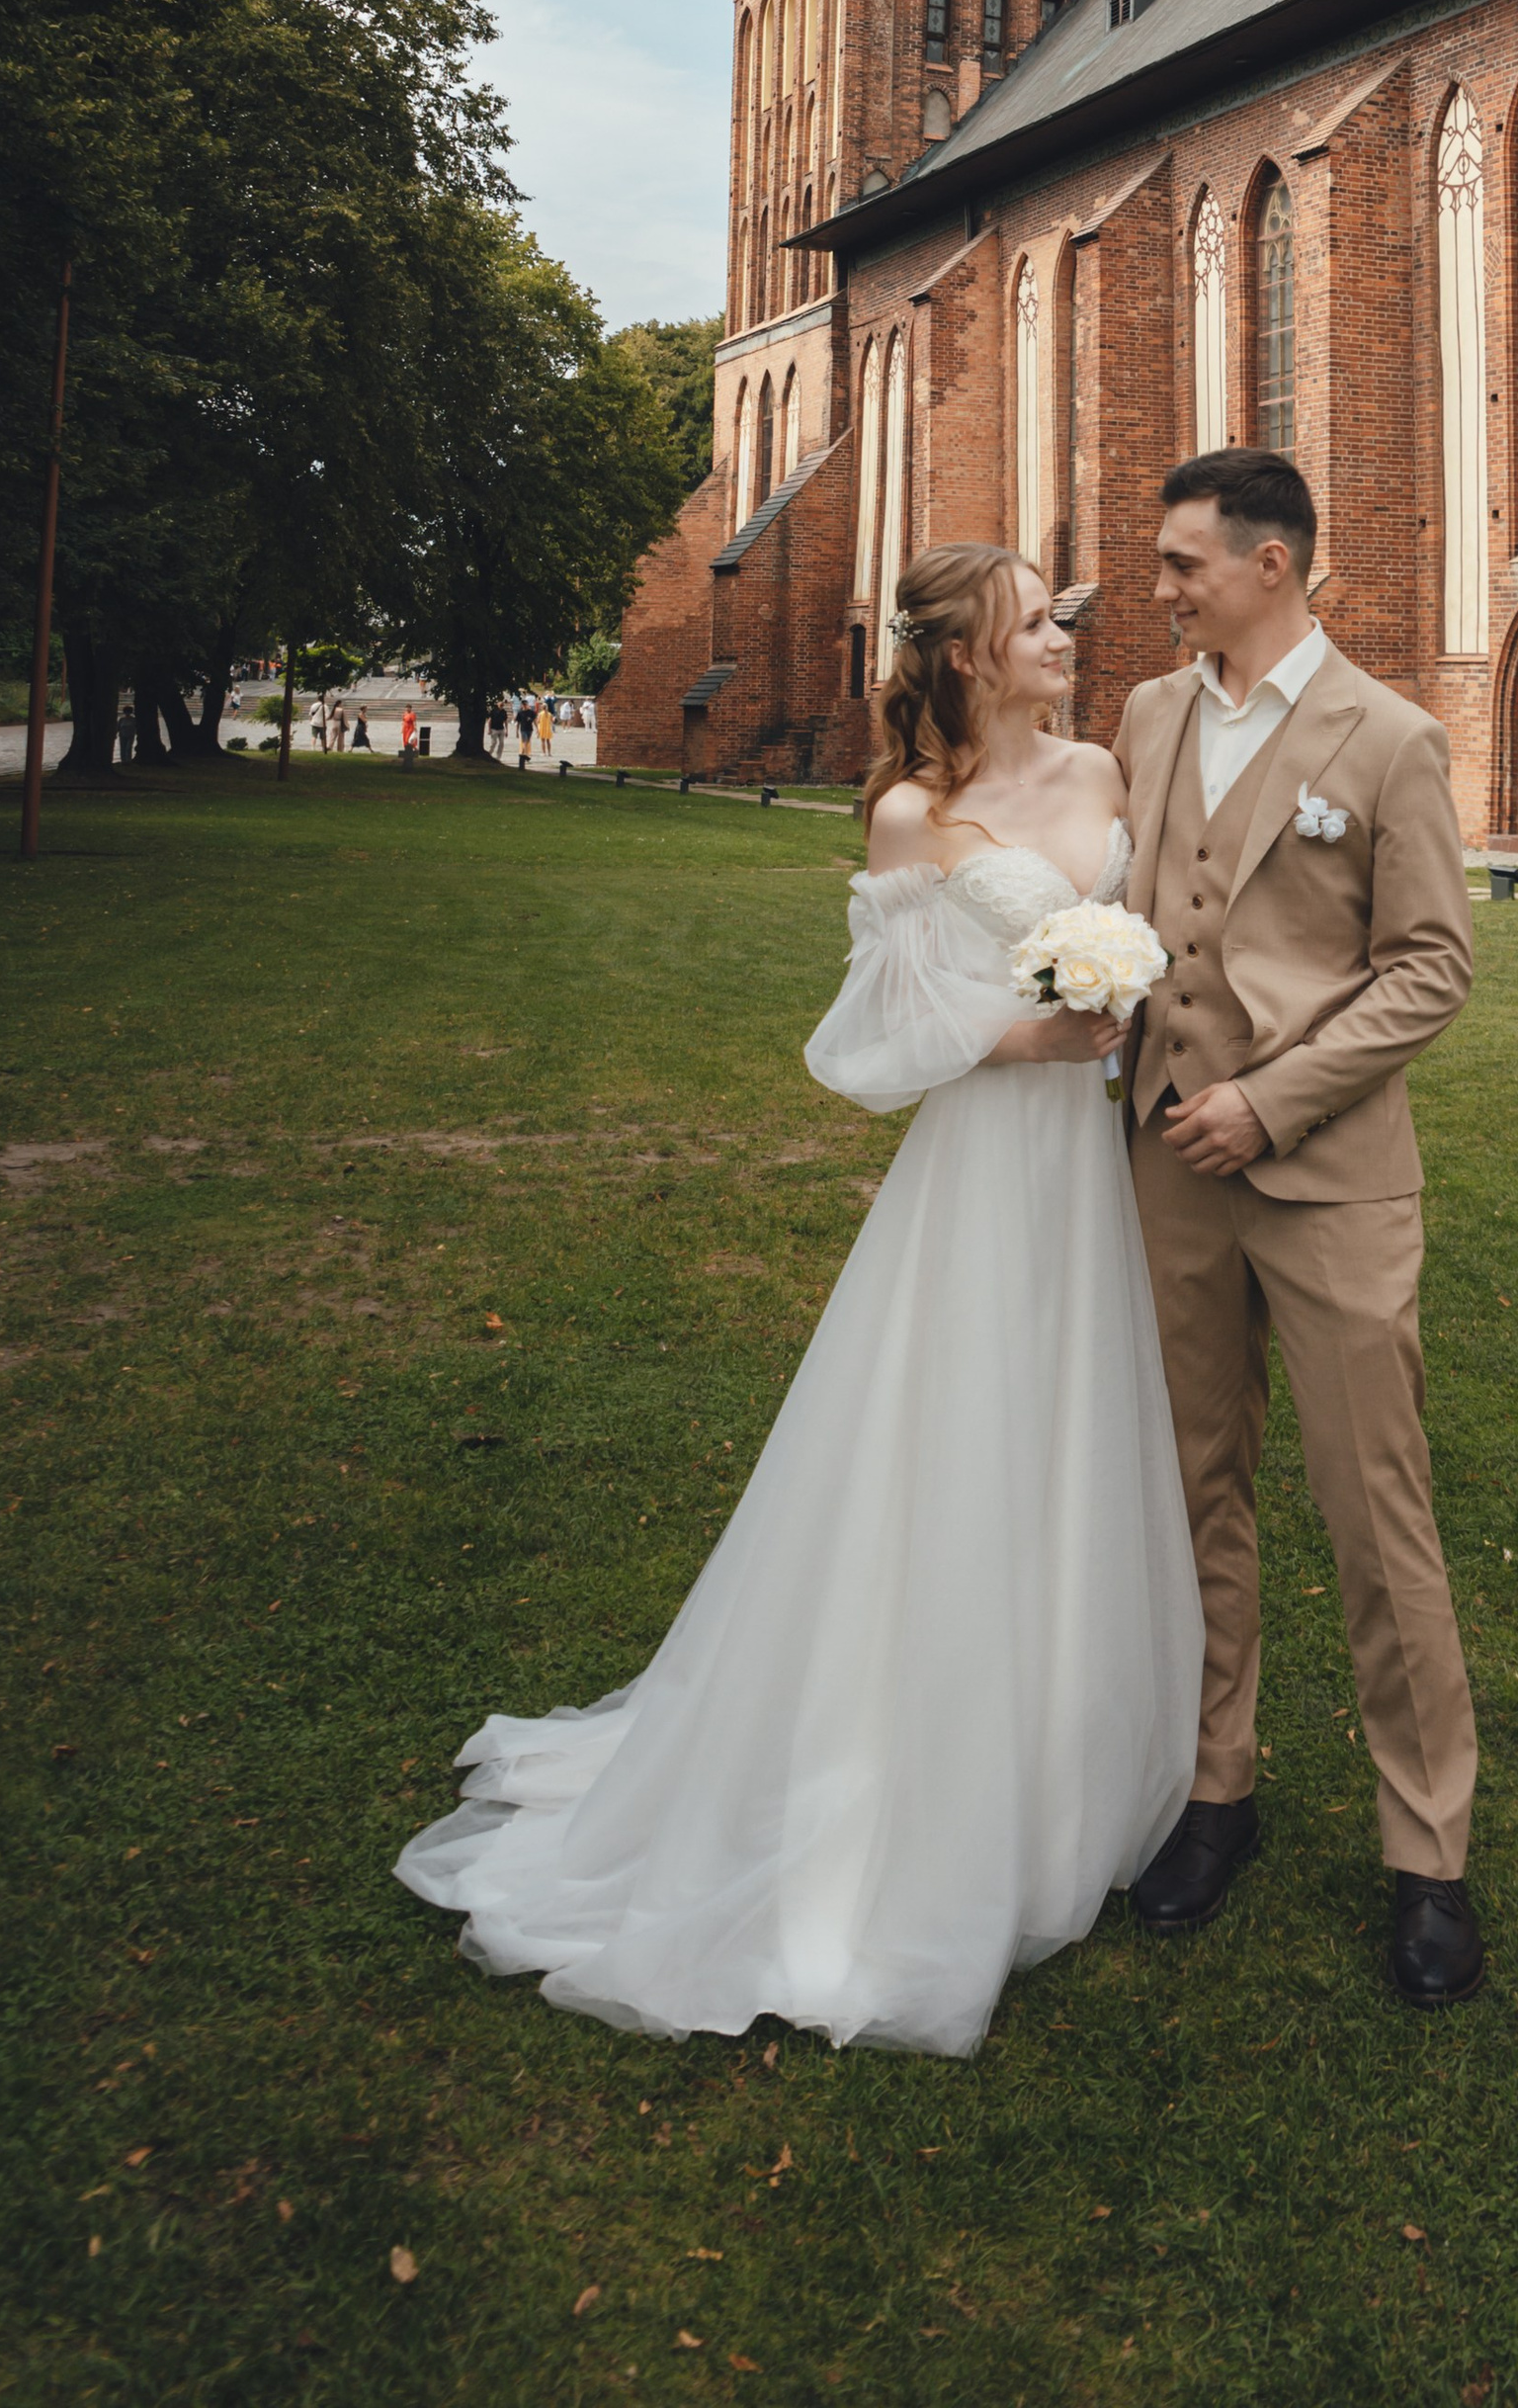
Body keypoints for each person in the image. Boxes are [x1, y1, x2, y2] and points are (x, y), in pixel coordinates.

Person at [394, 543, 1201, 2054]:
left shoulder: (1108, 771)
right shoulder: (915, 813)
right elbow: (874, 1036)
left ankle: (1065, 1760)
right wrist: (1017, 1040)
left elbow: (1166, 926)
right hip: (981, 1169)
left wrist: (1123, 993)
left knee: (1071, 1430)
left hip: (1090, 1182)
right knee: (948, 1439)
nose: (1061, 641)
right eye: (1035, 625)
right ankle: (901, 1769)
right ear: (966, 655)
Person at [1116, 448, 1485, 2007]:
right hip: (1159, 1172)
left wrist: (1272, 1103)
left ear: (1276, 565)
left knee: (1374, 1516)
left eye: (1185, 563)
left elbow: (1430, 967)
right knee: (1195, 1489)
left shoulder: (1390, 740)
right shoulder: (1144, 717)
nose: (1162, 589)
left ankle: (1429, 1859)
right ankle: (1219, 1790)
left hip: (1326, 1180)